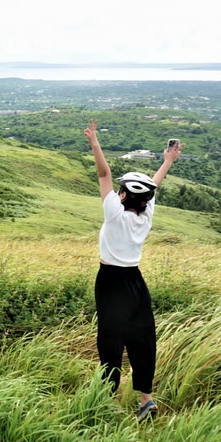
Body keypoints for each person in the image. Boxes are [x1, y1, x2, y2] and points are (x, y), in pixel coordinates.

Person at [83, 119, 182, 421]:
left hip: (111, 281)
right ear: (146, 200)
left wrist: (94, 142)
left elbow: (103, 173)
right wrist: (167, 162)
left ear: (123, 196)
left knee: (110, 341)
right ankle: (145, 401)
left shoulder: (114, 215)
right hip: (136, 281)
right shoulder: (145, 215)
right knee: (142, 338)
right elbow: (154, 185)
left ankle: (106, 400)